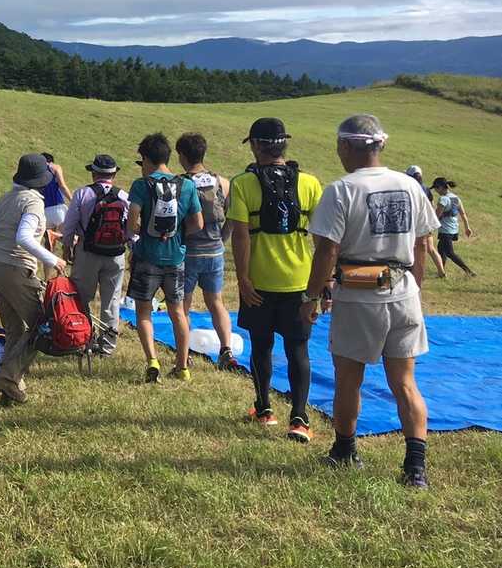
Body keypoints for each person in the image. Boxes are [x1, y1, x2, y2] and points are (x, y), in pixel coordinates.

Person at [304, 114, 439, 488]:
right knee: (405, 382)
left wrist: (311, 296)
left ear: (347, 146)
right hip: (403, 291)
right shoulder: (410, 186)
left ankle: (345, 450)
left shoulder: (341, 189)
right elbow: (421, 244)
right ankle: (415, 467)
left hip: (358, 295)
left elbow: (327, 250)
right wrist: (415, 287)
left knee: (349, 380)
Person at [226, 118, 324, 440]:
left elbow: (241, 236)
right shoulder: (310, 183)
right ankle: (299, 419)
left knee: (261, 345)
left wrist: (243, 278)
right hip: (300, 280)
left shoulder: (242, 183)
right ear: (285, 144)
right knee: (298, 349)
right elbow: (323, 239)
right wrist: (323, 283)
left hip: (259, 281)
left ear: (255, 145)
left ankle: (264, 408)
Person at [0, 153, 63, 404]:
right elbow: (23, 237)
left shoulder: (7, 198)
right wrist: (53, 259)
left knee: (14, 329)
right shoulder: (33, 202)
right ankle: (8, 377)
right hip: (16, 268)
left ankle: (10, 389)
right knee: (42, 327)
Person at [127, 133, 203, 383]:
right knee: (178, 312)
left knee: (144, 312)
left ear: (146, 158)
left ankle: (152, 361)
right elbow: (198, 223)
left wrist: (139, 232)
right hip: (176, 258)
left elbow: (132, 221)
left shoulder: (141, 185)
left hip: (147, 257)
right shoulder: (187, 185)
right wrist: (177, 234)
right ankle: (182, 366)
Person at [175, 133, 239, 372]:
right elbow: (233, 216)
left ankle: (184, 355)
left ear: (182, 156)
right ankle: (226, 350)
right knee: (216, 302)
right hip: (214, 252)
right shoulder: (221, 182)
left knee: (183, 305)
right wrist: (222, 239)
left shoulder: (179, 183)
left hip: (188, 252)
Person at [60, 155, 129, 357]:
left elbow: (69, 226)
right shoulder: (124, 196)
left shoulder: (82, 194)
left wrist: (67, 248)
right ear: (114, 174)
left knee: (81, 298)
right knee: (112, 301)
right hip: (115, 253)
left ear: (93, 173)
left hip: (87, 252)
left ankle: (83, 339)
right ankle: (107, 346)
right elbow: (130, 229)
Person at [432, 178, 476, 278]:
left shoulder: (443, 199)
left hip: (445, 230)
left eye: (436, 188)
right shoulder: (456, 198)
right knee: (441, 249)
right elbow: (463, 214)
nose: (435, 190)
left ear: (441, 187)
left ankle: (469, 272)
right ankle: (441, 272)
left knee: (450, 253)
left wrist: (429, 227)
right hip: (454, 229)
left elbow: (436, 216)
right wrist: (467, 227)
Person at [39, 153, 71, 235]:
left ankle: (51, 234)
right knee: (69, 236)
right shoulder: (54, 167)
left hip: (43, 212)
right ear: (51, 161)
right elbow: (62, 186)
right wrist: (73, 200)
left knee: (49, 236)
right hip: (58, 209)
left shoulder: (36, 171)